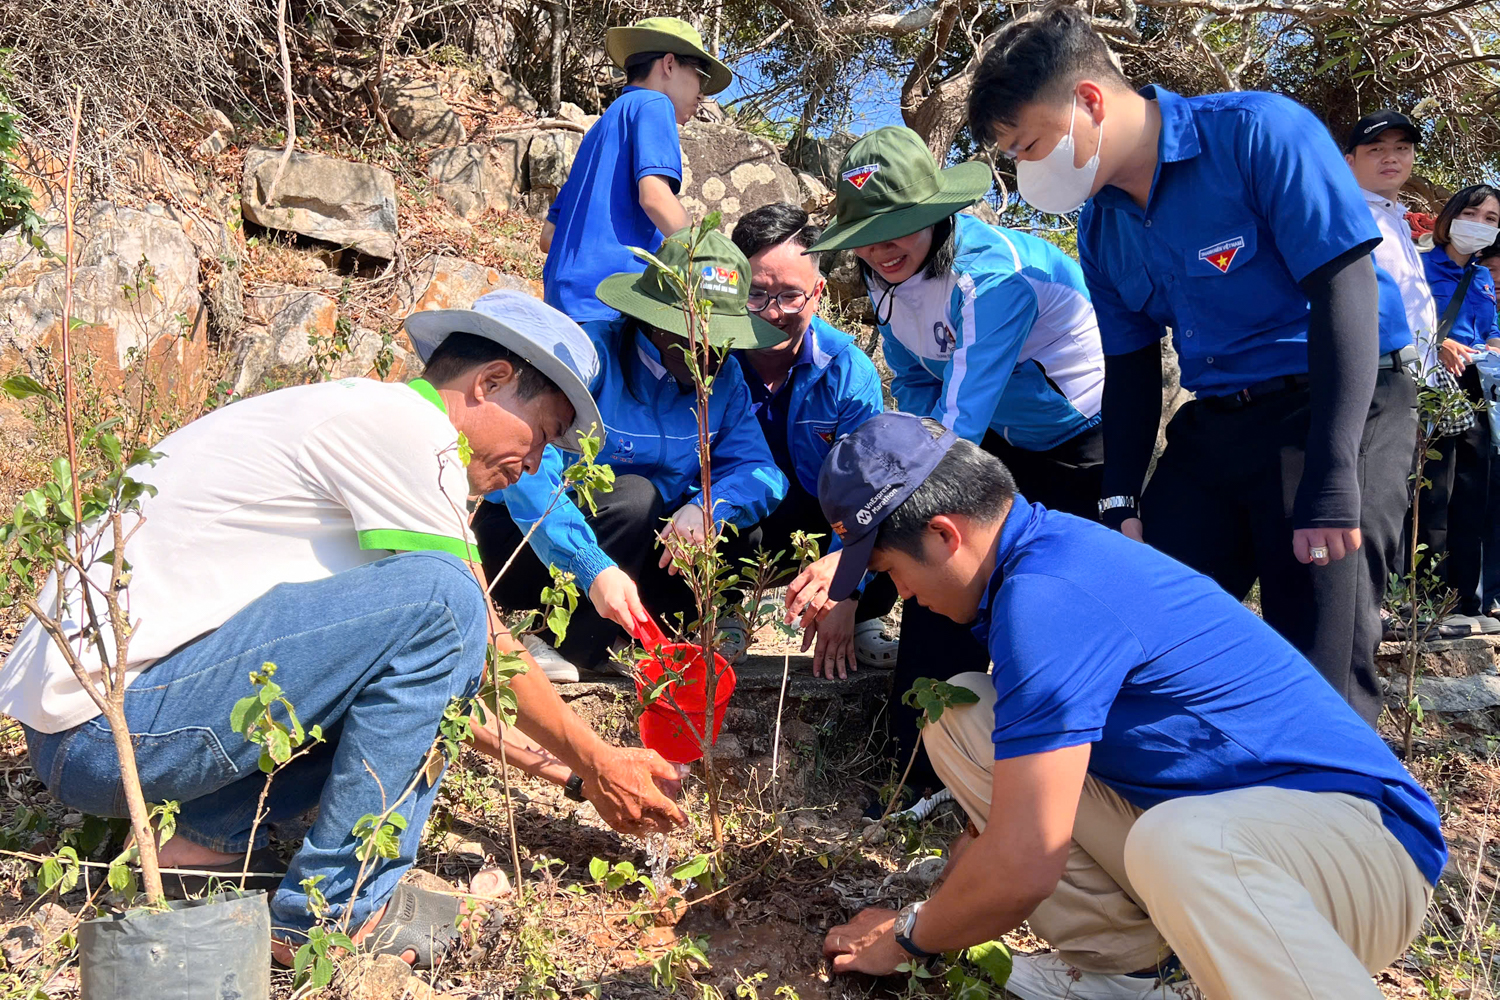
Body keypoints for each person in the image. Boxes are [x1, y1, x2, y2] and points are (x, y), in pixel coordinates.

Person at [0, 291, 689, 968]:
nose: (536, 462)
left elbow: (434, 697)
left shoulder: (369, 429)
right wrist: (599, 759)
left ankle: (200, 847)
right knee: (446, 598)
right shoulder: (403, 432)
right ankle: (336, 913)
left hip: (98, 734)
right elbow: (477, 642)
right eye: (540, 434)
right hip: (111, 729)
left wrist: (573, 776)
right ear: (492, 381)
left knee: (438, 612)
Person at [816, 412, 1444, 1000]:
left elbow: (1024, 861)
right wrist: (959, 881)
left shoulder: (1047, 598)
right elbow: (1020, 815)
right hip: (1249, 842)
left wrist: (908, 936)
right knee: (962, 714)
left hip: (1366, 852)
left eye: (890, 570)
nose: (901, 594)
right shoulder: (1032, 562)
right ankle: (1139, 973)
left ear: (945, 534)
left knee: (1181, 841)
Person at [964, 4, 1419, 726]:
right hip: (1217, 425)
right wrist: (1120, 502)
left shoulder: (1256, 133)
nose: (1026, 170)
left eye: (1030, 145)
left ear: (1088, 101)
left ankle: (1352, 822)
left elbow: (1345, 288)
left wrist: (1336, 474)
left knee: (1322, 665)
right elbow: (1133, 364)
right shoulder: (1101, 224)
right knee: (1139, 623)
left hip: (1335, 405)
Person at [787, 125, 1107, 805]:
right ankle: (924, 778)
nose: (883, 246)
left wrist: (845, 569)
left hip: (1082, 446)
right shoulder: (885, 282)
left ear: (937, 213)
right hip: (998, 437)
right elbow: (917, 391)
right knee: (938, 577)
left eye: (900, 226)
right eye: (867, 232)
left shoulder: (991, 280)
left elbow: (951, 434)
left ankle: (1071, 789)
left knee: (1052, 605)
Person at [475, 229, 787, 679]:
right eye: (696, 336)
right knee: (636, 497)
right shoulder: (591, 357)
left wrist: (707, 508)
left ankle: (647, 632)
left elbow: (759, 470)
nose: (711, 353)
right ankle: (551, 635)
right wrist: (589, 564)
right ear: (655, 320)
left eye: (722, 338)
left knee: (744, 531)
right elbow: (531, 476)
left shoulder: (725, 379)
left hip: (641, 548)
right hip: (533, 541)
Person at [728, 202, 895, 680]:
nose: (772, 313)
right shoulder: (711, 363)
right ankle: (721, 606)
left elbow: (869, 491)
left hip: (827, 520)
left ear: (818, 293)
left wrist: (847, 587)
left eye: (790, 296)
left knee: (900, 497)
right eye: (756, 295)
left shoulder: (848, 371)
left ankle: (864, 615)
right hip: (741, 519)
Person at [540, 16, 731, 325]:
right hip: (613, 306)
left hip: (562, 308)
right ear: (669, 65)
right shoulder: (654, 104)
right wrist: (715, 261)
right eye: (700, 76)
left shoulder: (599, 131)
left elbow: (549, 237)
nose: (702, 95)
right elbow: (655, 198)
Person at [1417, 185, 1500, 632]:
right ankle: (1426, 601)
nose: (1481, 224)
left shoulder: (1483, 277)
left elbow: (1489, 330)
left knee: (1473, 492)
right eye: (1473, 213)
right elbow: (1400, 320)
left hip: (1474, 384)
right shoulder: (1418, 265)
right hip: (1430, 383)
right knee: (1433, 493)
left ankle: (1465, 602)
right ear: (1450, 217)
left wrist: (1493, 345)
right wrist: (1438, 341)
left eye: (1491, 218)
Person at [1344, 109, 1439, 375]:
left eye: (1402, 148)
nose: (1391, 158)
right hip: (1380, 378)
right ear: (1349, 161)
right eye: (1375, 149)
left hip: (1421, 378)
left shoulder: (1399, 218)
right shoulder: (1347, 216)